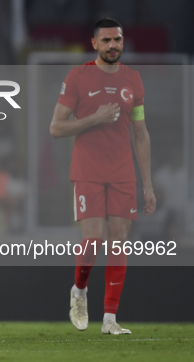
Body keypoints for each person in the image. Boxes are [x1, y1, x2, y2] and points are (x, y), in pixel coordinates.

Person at [50, 17, 156, 335]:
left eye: (118, 40)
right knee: (94, 238)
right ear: (94, 43)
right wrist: (94, 119)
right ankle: (79, 291)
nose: (113, 45)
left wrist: (147, 184)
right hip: (88, 170)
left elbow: (140, 133)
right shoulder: (79, 77)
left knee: (119, 240)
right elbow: (56, 127)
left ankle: (110, 320)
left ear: (123, 42)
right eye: (107, 40)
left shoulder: (133, 80)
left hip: (123, 172)